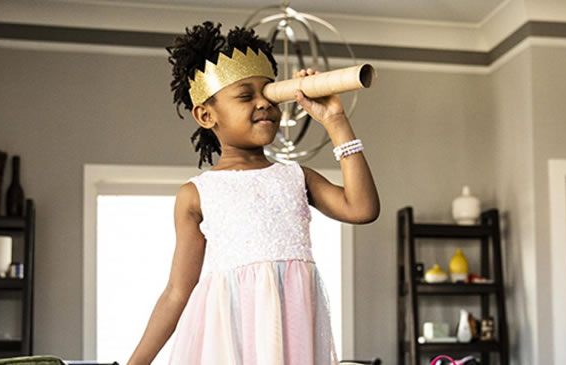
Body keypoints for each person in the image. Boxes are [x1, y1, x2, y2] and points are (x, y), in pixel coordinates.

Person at [127, 21, 380, 365]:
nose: (264, 104)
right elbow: (176, 292)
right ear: (205, 114)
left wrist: (336, 120)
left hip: (294, 336)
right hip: (229, 339)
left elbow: (362, 208)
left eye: (271, 94)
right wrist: (135, 363)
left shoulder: (295, 177)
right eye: (246, 96)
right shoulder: (196, 194)